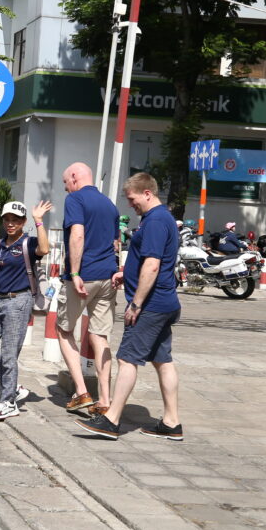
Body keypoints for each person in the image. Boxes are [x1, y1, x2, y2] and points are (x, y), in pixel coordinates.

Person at [76, 172, 183, 441]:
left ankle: (111, 420)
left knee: (127, 359)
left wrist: (136, 303)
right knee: (162, 360)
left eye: (132, 199)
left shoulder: (157, 221)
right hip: (164, 302)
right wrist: (127, 273)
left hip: (150, 305)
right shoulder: (160, 218)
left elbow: (153, 264)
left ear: (147, 193)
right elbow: (149, 261)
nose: (130, 204)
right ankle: (172, 423)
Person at [0, 200, 52, 421]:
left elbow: (45, 249)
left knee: (9, 354)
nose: (10, 224)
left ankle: (8, 402)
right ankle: (12, 388)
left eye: (16, 220)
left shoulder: (27, 243)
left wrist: (39, 221)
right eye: (7, 219)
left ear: (23, 222)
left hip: (19, 302)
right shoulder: (0, 244)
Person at [58, 162, 120, 417]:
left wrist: (74, 272)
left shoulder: (76, 200)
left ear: (74, 177)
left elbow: (77, 235)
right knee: (100, 335)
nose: (66, 189)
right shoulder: (110, 205)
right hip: (108, 276)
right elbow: (116, 243)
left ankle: (82, 392)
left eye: (65, 183)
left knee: (63, 330)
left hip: (84, 276)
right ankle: (105, 399)